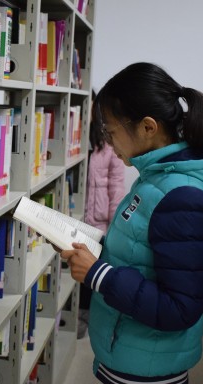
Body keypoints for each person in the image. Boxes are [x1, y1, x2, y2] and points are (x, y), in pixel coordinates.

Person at [60, 62, 203, 384]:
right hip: (134, 355)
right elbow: (141, 251)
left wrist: (98, 274)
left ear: (147, 127)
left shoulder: (184, 197)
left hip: (149, 371)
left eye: (111, 132)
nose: (107, 142)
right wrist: (91, 245)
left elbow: (180, 308)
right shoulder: (157, 178)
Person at [78, 91, 127, 339]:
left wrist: (115, 226)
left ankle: (84, 316)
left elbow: (116, 186)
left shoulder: (108, 142)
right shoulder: (72, 136)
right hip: (73, 216)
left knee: (89, 271)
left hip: (97, 222)